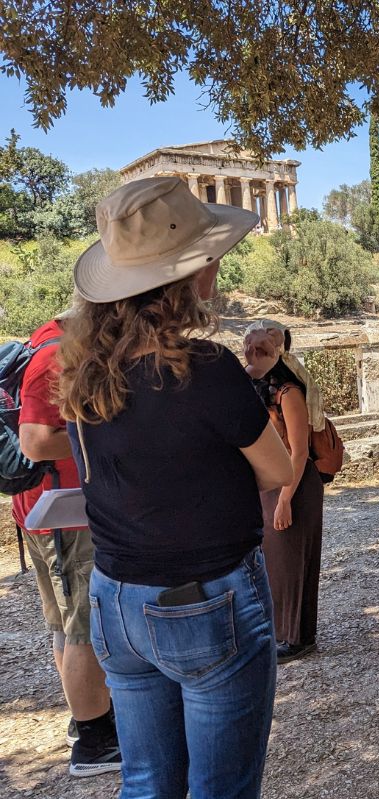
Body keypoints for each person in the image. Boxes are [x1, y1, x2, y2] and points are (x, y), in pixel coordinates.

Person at [58, 177, 293, 798]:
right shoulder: (207, 368)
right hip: (204, 596)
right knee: (220, 787)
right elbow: (279, 471)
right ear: (190, 275)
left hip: (114, 594)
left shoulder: (82, 373)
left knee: (147, 782)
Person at [13, 313, 120, 777]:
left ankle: (86, 719)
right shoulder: (58, 355)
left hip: (45, 512)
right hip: (65, 517)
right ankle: (95, 744)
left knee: (65, 625)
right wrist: (107, 435)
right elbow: (36, 442)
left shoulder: (43, 343)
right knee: (84, 628)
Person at [242, 321, 328, 663]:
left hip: (292, 484)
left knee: (291, 563)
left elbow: (299, 450)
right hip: (269, 484)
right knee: (274, 563)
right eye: (251, 344)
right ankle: (285, 633)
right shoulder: (256, 386)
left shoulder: (289, 392)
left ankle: (296, 637)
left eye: (264, 345)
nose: (254, 351)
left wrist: (285, 500)